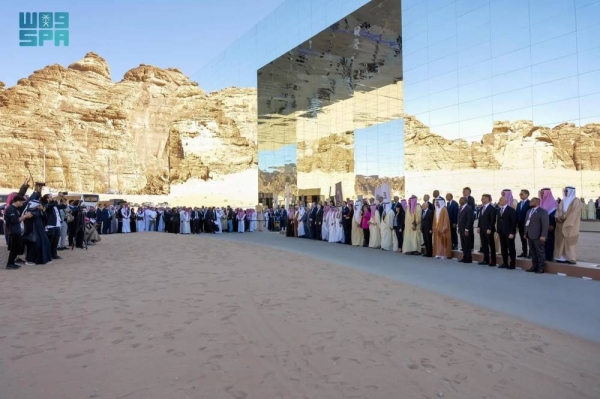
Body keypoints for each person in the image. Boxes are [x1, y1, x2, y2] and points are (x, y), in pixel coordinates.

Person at [554, 186, 581, 265]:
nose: (565, 192)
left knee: (570, 241)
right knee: (560, 240)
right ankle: (561, 258)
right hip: (561, 223)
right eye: (565, 191)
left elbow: (574, 213)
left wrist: (566, 219)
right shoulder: (563, 201)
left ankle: (571, 258)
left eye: (567, 191)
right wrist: (558, 217)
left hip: (571, 225)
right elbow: (558, 211)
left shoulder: (576, 201)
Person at [5, 195, 33, 269]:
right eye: (21, 202)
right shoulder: (10, 209)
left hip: (17, 230)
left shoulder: (15, 209)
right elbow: (15, 220)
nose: (22, 204)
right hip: (13, 231)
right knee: (15, 247)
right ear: (17, 201)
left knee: (18, 247)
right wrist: (25, 217)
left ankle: (12, 262)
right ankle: (10, 263)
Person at [524, 197, 549, 274]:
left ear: (537, 202)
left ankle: (541, 268)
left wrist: (543, 235)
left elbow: (545, 224)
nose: (530, 202)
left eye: (532, 201)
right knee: (532, 252)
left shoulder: (542, 211)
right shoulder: (529, 211)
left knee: (540, 252)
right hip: (530, 235)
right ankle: (534, 266)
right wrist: (525, 233)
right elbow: (526, 223)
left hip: (538, 236)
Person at [496, 195, 517, 269]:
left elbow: (513, 222)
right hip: (501, 232)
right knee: (503, 248)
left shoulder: (511, 210)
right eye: (499, 200)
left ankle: (512, 263)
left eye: (501, 200)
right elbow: (498, 221)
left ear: (506, 201)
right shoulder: (499, 210)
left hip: (509, 232)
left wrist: (512, 232)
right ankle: (505, 262)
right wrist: (498, 231)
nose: (499, 201)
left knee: (511, 248)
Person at [477, 194, 497, 266]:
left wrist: (490, 228)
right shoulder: (481, 208)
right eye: (482, 198)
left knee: (491, 245)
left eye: (484, 198)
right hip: (482, 229)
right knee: (484, 245)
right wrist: (479, 227)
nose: (482, 200)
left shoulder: (492, 208)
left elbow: (492, 220)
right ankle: (486, 260)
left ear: (488, 199)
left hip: (488, 230)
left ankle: (493, 261)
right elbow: (480, 218)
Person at [539, 188, 558, 262]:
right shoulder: (541, 202)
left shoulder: (554, 204)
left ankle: (549, 257)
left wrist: (552, 224)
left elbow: (555, 215)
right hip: (541, 226)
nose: (542, 194)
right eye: (541, 193)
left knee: (549, 241)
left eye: (543, 193)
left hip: (550, 226)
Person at [457, 197, 474, 263]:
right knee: (463, 243)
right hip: (461, 228)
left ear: (465, 201)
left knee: (467, 243)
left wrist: (467, 229)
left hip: (466, 229)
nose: (460, 200)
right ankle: (464, 256)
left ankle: (468, 258)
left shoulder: (468, 208)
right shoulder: (460, 208)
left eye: (461, 200)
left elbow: (469, 219)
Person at [516, 189, 531, 258]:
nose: (520, 195)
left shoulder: (530, 203)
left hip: (528, 225)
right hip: (520, 224)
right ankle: (524, 252)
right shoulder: (519, 204)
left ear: (527, 194)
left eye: (521, 194)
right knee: (523, 239)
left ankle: (531, 253)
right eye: (520, 194)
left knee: (530, 239)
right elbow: (517, 213)